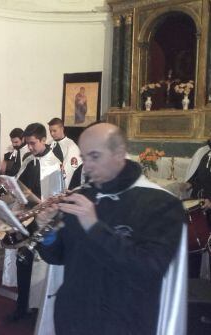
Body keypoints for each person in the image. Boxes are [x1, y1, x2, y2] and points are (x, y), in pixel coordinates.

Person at [35, 123, 184, 334]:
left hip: (122, 321)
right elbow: (59, 256)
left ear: (119, 154)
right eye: (84, 157)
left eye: (95, 156)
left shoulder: (160, 203)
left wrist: (94, 226)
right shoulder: (83, 196)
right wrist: (48, 231)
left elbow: (148, 269)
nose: (86, 167)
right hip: (72, 318)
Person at [8, 122, 63, 321]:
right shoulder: (28, 160)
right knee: (22, 263)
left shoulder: (54, 164)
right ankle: (21, 306)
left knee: (40, 269)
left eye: (32, 143)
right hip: (25, 220)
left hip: (43, 223)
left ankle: (38, 309)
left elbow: (56, 200)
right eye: (27, 144)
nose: (29, 148)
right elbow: (18, 184)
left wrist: (38, 206)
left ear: (43, 140)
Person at [184, 136, 211, 277]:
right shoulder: (204, 153)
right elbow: (196, 178)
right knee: (195, 248)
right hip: (199, 209)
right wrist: (186, 184)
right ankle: (195, 282)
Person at [47, 117, 82, 187]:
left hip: (61, 184)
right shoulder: (49, 144)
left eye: (54, 131)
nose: (52, 134)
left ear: (62, 129)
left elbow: (70, 169)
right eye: (50, 131)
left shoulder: (71, 146)